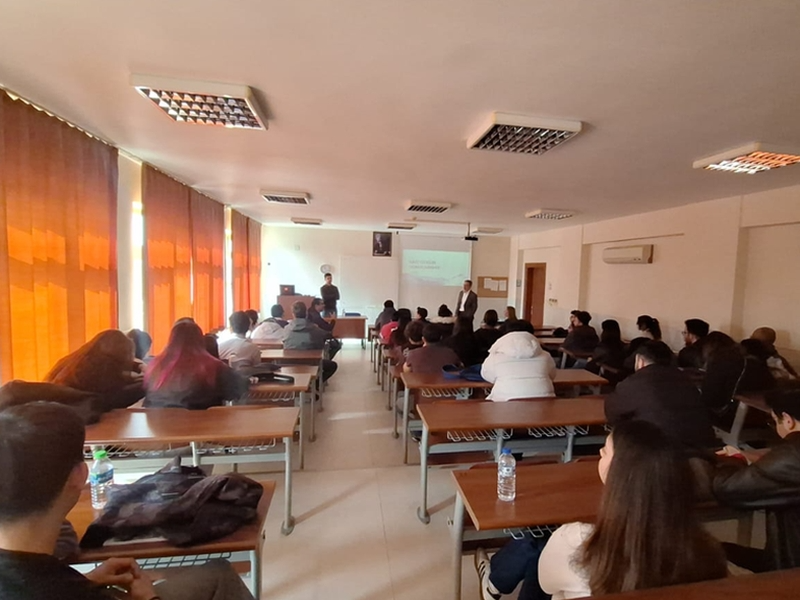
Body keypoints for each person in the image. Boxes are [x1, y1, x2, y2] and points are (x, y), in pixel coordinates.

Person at [0, 402, 256, 600]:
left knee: (217, 573)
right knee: (220, 575)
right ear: (79, 474)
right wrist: (148, 597)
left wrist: (86, 580)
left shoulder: (42, 577)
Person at [476, 420, 727, 600]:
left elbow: (545, 583)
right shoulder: (707, 551)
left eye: (605, 451)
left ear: (618, 474)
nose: (599, 452)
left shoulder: (575, 540)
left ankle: (495, 578)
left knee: (540, 545)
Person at [713, 388, 800, 572]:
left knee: (711, 551)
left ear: (788, 420)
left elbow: (727, 488)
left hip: (790, 572)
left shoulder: (792, 454)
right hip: (789, 559)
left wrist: (733, 459)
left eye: (774, 421)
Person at [605, 341, 717, 453]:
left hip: (662, 453)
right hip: (705, 450)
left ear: (640, 361)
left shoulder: (636, 381)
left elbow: (612, 412)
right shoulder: (686, 379)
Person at [144, 321, 247, 409]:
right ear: (200, 340)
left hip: (158, 425)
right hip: (204, 425)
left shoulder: (154, 367)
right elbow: (241, 388)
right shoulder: (213, 367)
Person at [44, 330, 142, 396]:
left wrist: (139, 366)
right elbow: (113, 397)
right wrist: (143, 382)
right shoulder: (99, 373)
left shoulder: (75, 361)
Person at [481, 326, 555, 401]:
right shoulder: (545, 355)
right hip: (544, 402)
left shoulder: (495, 357)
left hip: (505, 402)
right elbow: (552, 375)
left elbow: (486, 375)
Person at [283, 302, 338, 381]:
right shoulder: (314, 329)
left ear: (293, 314)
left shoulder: (286, 329)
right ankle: (316, 384)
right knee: (332, 366)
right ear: (306, 313)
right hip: (310, 363)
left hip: (288, 363)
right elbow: (323, 341)